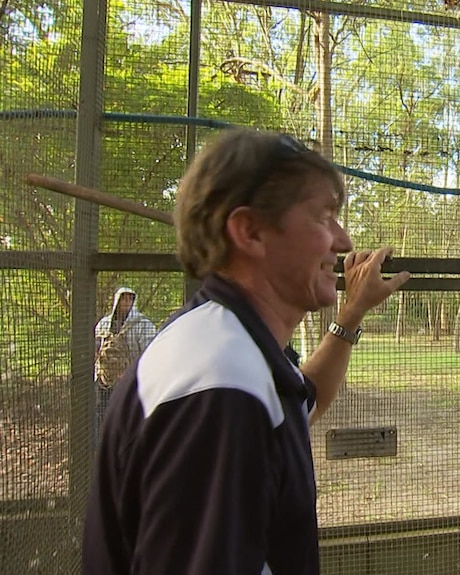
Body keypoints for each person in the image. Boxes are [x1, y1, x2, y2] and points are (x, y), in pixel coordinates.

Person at [82, 128, 410, 575]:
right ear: (250, 231)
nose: (344, 241)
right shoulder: (218, 387)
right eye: (323, 217)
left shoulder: (227, 345)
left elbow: (303, 401)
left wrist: (352, 314)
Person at [93, 286, 157, 431]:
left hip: (132, 381)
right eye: (123, 298)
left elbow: (150, 353)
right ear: (117, 300)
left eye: (130, 298)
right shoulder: (104, 324)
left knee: (128, 417)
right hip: (105, 380)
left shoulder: (143, 324)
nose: (126, 302)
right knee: (103, 416)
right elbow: (95, 348)